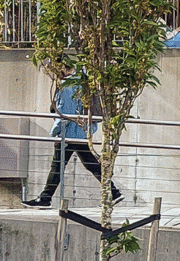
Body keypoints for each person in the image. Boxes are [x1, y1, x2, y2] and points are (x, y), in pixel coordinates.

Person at [23, 78, 122, 206]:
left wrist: (55, 131)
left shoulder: (67, 84)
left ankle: (45, 198)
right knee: (90, 164)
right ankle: (114, 192)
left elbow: (66, 113)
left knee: (58, 166)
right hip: (81, 131)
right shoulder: (83, 80)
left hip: (68, 133)